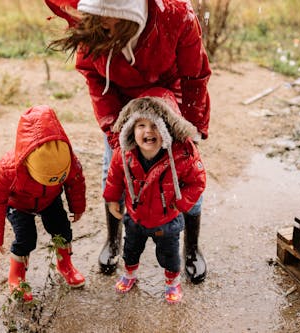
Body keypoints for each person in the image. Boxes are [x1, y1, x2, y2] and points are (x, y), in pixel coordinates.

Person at [45, 0, 211, 283]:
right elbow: (92, 73)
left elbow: (195, 76)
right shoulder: (93, 22)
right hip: (120, 101)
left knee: (184, 170)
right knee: (115, 167)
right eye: (101, 19)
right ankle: (114, 240)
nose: (106, 26)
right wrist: (115, 131)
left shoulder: (177, 15)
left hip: (169, 98)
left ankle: (192, 247)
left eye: (114, 21)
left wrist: (190, 129)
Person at [104, 87, 206, 303]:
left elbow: (197, 180)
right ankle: (130, 273)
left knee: (169, 256)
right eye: (141, 125)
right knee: (131, 250)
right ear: (132, 129)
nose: (147, 131)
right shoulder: (124, 154)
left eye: (155, 126)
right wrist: (113, 198)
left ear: (167, 129)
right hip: (135, 217)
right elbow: (114, 176)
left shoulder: (182, 155)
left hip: (167, 220)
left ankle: (172, 282)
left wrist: (181, 203)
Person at [0, 105, 87, 301]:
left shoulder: (67, 158)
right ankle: (17, 276)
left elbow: (75, 182)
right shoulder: (9, 168)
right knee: (26, 237)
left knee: (62, 229)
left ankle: (65, 265)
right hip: (18, 204)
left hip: (50, 199)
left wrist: (77, 207)